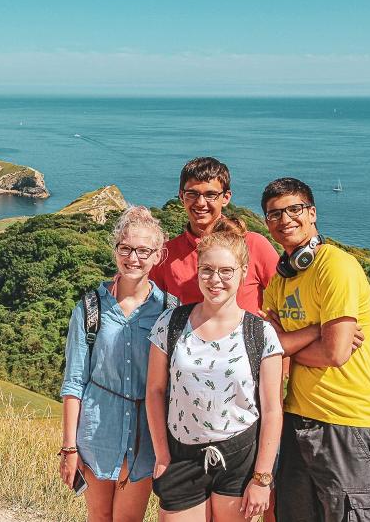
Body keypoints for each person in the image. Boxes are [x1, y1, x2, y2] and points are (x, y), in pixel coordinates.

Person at [259, 178, 370, 521]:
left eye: (294, 209)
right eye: (274, 214)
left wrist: (288, 345)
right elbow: (269, 349)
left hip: (346, 422)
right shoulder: (279, 280)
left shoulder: (336, 267)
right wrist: (317, 332)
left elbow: (334, 354)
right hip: (297, 418)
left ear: (312, 213)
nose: (284, 219)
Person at [146, 218, 283, 521]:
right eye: (207, 270)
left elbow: (273, 409)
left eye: (226, 271)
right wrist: (162, 454)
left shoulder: (260, 333)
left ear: (243, 273)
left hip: (239, 457)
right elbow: (154, 391)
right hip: (181, 453)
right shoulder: (170, 323)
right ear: (197, 270)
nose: (215, 279)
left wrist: (262, 479)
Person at [60, 206, 171, 522]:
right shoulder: (90, 308)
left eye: (143, 250)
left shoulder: (168, 311)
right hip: (98, 431)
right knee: (99, 517)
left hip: (145, 436)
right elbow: (74, 382)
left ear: (157, 255)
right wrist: (69, 449)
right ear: (115, 250)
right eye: (126, 248)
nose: (133, 258)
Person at [149, 156, 279, 313]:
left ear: (225, 198)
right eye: (192, 194)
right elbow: (151, 307)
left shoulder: (254, 245)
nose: (201, 203)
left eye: (210, 194)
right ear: (182, 196)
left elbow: (288, 297)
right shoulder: (166, 254)